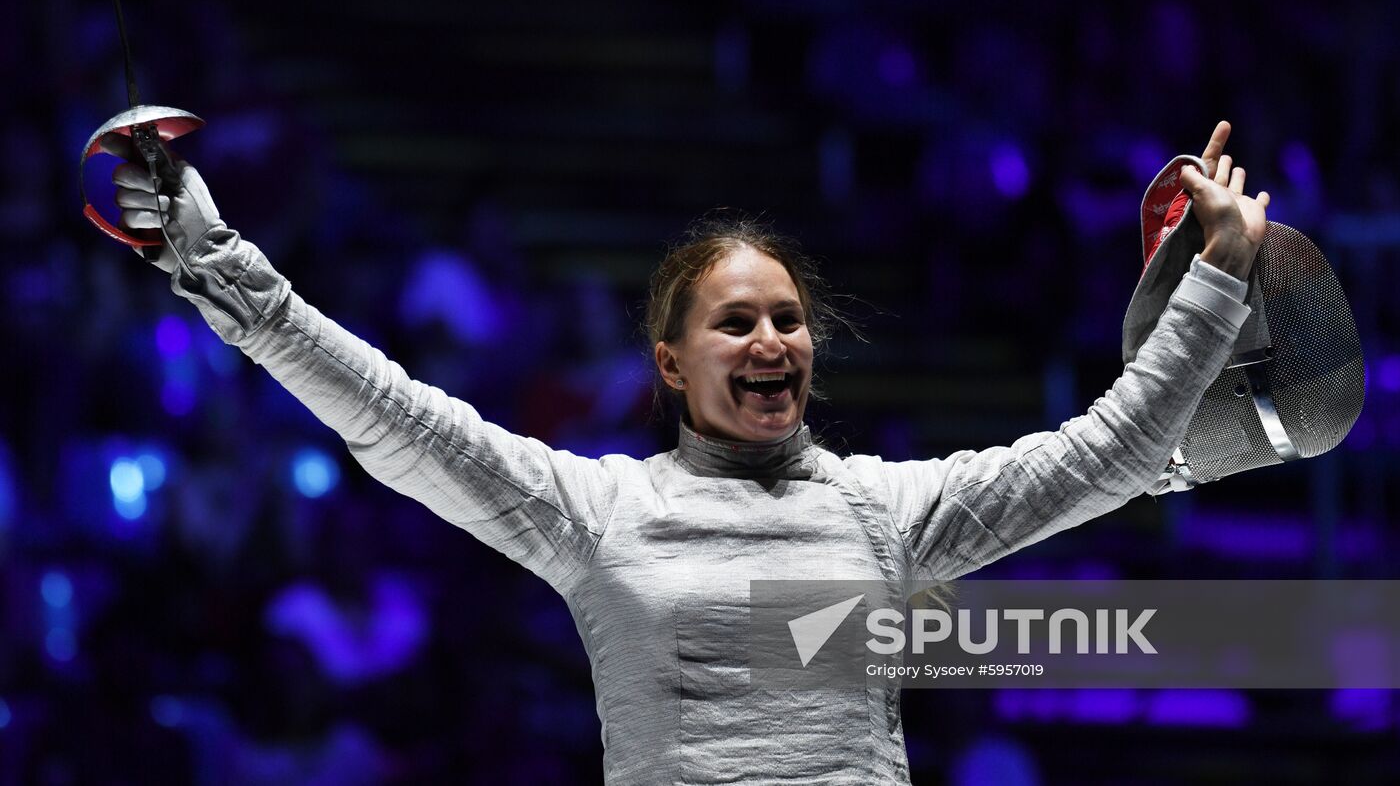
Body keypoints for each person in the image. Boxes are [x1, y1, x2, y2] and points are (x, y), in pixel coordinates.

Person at [108, 121, 1268, 784]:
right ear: (669, 365)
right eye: (734, 323)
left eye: (786, 320)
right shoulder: (594, 510)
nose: (771, 340)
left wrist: (1215, 274)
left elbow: (1109, 449)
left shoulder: (889, 509)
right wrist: (221, 269)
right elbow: (395, 419)